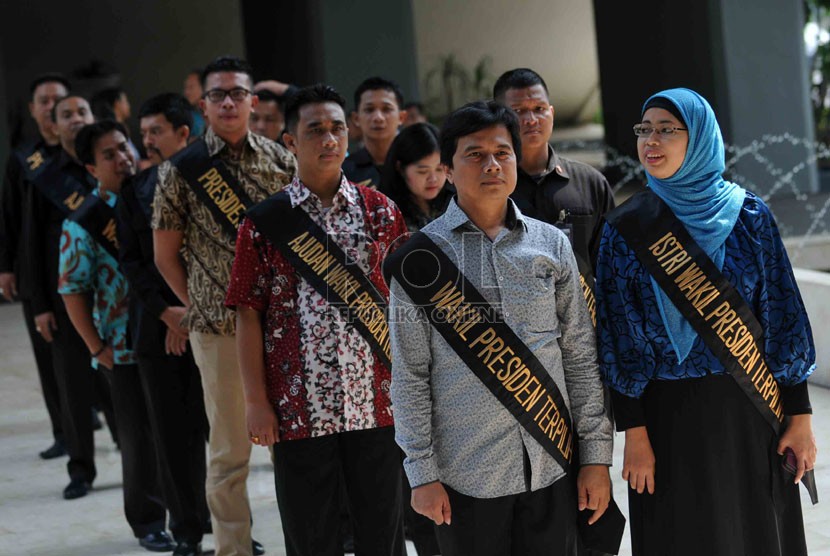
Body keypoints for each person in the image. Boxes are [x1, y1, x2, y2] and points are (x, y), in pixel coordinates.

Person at [595, 88, 818, 556]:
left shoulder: (750, 217)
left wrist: (800, 418)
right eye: (644, 130)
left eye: (666, 130)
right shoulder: (624, 230)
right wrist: (633, 434)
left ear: (698, 138)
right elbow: (618, 337)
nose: (650, 141)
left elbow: (784, 316)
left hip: (751, 411)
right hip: (666, 421)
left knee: (758, 534)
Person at [385, 100, 613, 555]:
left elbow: (581, 358)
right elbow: (409, 375)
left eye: (502, 152)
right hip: (465, 478)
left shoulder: (552, 245)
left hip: (552, 465)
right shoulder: (419, 259)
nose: (492, 164)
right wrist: (422, 471)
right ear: (448, 169)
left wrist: (596, 458)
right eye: (475, 154)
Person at [226, 83, 408, 556]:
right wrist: (255, 401)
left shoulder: (381, 213)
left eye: (336, 129)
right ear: (289, 141)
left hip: (378, 404)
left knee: (383, 533)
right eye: (315, 130)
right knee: (311, 538)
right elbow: (248, 315)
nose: (328, 139)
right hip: (297, 409)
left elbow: (407, 309)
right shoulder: (264, 223)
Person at [153, 55, 295, 556]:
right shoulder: (180, 170)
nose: (230, 102)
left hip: (281, 328)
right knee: (230, 452)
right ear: (203, 106)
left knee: (293, 449)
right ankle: (232, 549)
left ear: (254, 102)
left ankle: (305, 541)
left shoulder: (280, 162)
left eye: (238, 93)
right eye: (219, 95)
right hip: (216, 331)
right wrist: (199, 303)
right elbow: (165, 254)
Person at [60, 120, 175, 553]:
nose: (123, 158)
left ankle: (187, 510)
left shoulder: (152, 198)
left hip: (167, 339)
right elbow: (72, 292)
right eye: (108, 155)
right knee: (138, 438)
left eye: (124, 148)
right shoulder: (84, 221)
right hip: (122, 350)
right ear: (91, 167)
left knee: (178, 431)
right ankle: (147, 520)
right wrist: (97, 348)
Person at [118, 93, 210, 556]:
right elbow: (133, 263)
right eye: (143, 132)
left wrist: (189, 313)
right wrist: (168, 312)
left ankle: (231, 526)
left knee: (220, 436)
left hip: (212, 326)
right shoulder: (133, 190)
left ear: (183, 135)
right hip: (158, 329)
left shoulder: (212, 183)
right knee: (172, 435)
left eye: (156, 132)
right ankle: (188, 531)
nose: (146, 141)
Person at [26, 94, 118, 500]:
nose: (76, 119)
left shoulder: (112, 163)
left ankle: (133, 452)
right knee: (74, 387)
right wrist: (41, 306)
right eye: (67, 114)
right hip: (67, 300)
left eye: (82, 111)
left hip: (115, 301)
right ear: (53, 125)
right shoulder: (45, 176)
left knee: (120, 385)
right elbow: (31, 244)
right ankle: (80, 469)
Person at [0, 73, 70, 459]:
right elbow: (8, 215)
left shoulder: (83, 153)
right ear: (32, 109)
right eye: (43, 101)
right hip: (36, 271)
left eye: (57, 100)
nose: (50, 107)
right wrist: (5, 266)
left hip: (82, 272)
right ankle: (64, 431)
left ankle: (103, 420)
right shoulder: (24, 159)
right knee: (48, 356)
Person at [493, 68, 614, 271]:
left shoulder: (590, 182)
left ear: (552, 112)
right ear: (498, 117)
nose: (531, 119)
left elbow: (612, 260)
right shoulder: (489, 185)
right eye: (519, 111)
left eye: (539, 108)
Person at [380, 122, 451, 233]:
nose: (433, 179)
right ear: (401, 168)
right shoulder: (386, 215)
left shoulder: (456, 204)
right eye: (423, 171)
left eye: (439, 169)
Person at [342, 76, 407, 188]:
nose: (378, 117)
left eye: (386, 109)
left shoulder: (419, 162)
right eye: (369, 110)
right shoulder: (345, 171)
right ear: (356, 118)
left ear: (401, 117)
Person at [90, 87, 141, 161]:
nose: (128, 105)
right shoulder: (110, 134)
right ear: (117, 104)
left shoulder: (122, 130)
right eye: (125, 101)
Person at [182, 68, 207, 138]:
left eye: (191, 87)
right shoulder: (189, 117)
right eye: (185, 87)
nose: (186, 92)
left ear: (204, 87)